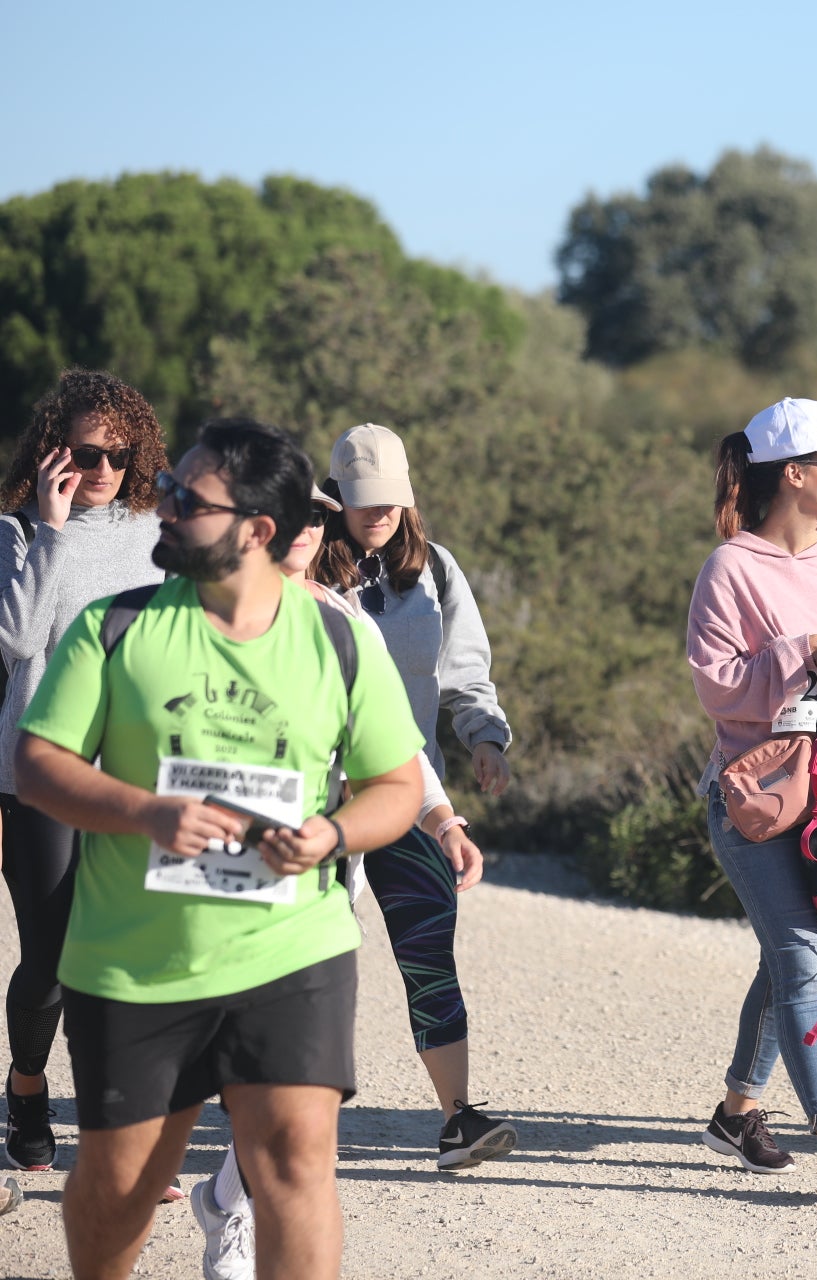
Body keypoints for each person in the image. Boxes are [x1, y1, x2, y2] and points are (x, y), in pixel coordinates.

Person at [12, 418, 424, 1280]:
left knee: (297, 1163)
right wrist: (146, 813)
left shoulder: (340, 639)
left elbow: (396, 786)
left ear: (257, 529)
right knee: (121, 1188)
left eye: (184, 499)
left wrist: (334, 833)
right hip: (137, 961)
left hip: (292, 950)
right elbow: (40, 764)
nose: (160, 507)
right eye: (166, 489)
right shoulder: (115, 628)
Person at [193, 483, 489, 1280]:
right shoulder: (204, 612)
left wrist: (444, 821)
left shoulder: (346, 619)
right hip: (217, 866)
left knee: (293, 1064)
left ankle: (231, 1206)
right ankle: (223, 1196)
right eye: (291, 511)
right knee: (242, 1054)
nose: (307, 526)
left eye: (318, 515)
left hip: (318, 878)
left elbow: (396, 745)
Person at [687, 397, 817, 1199]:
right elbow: (717, 687)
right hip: (754, 802)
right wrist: (807, 652)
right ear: (795, 475)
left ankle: (735, 1114)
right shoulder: (729, 569)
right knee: (803, 957)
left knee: (789, 955)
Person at [309, 423, 517, 1171]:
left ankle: (458, 1119)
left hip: (408, 788)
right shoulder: (307, 575)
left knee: (429, 949)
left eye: (391, 501)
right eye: (364, 501)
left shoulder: (435, 571)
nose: (379, 514)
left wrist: (483, 736)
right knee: (311, 962)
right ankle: (282, 1109)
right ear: (334, 497)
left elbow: (464, 668)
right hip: (320, 801)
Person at [0, 370, 167, 1175]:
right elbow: (19, 639)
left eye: (118, 454)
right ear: (53, 451)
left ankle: (123, 1135)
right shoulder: (17, 534)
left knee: (131, 960)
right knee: (53, 960)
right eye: (87, 453)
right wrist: (53, 529)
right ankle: (27, 1087)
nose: (103, 469)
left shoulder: (156, 531)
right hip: (41, 776)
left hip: (134, 776)